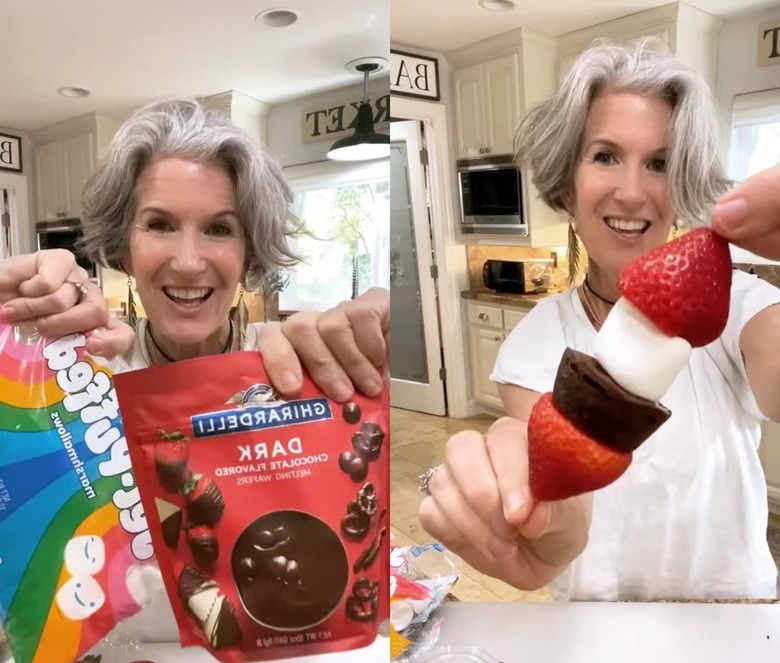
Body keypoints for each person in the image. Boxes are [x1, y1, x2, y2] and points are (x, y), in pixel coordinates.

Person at [0, 97, 390, 643]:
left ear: (250, 252)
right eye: (159, 224)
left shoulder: (299, 378)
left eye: (219, 229)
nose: (187, 261)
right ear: (123, 248)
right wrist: (16, 329)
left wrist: (374, 328)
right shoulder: (70, 384)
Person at [418, 38, 780, 602]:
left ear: (682, 183)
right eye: (605, 155)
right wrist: (531, 520)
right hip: (600, 624)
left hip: (735, 618)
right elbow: (564, 496)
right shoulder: (537, 341)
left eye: (659, 163)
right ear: (567, 182)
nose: (632, 192)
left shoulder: (735, 303)